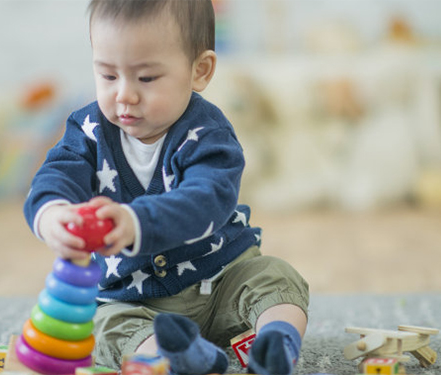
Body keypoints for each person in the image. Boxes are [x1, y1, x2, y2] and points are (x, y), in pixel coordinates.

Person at [23, 0, 309, 373]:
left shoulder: (208, 132)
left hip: (221, 281)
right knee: (103, 325)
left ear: (199, 71)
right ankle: (181, 357)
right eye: (108, 76)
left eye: (146, 78)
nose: (125, 94)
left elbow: (206, 201)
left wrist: (135, 222)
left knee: (276, 277)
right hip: (135, 303)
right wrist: (52, 216)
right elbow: (55, 175)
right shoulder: (88, 130)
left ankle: (276, 344)